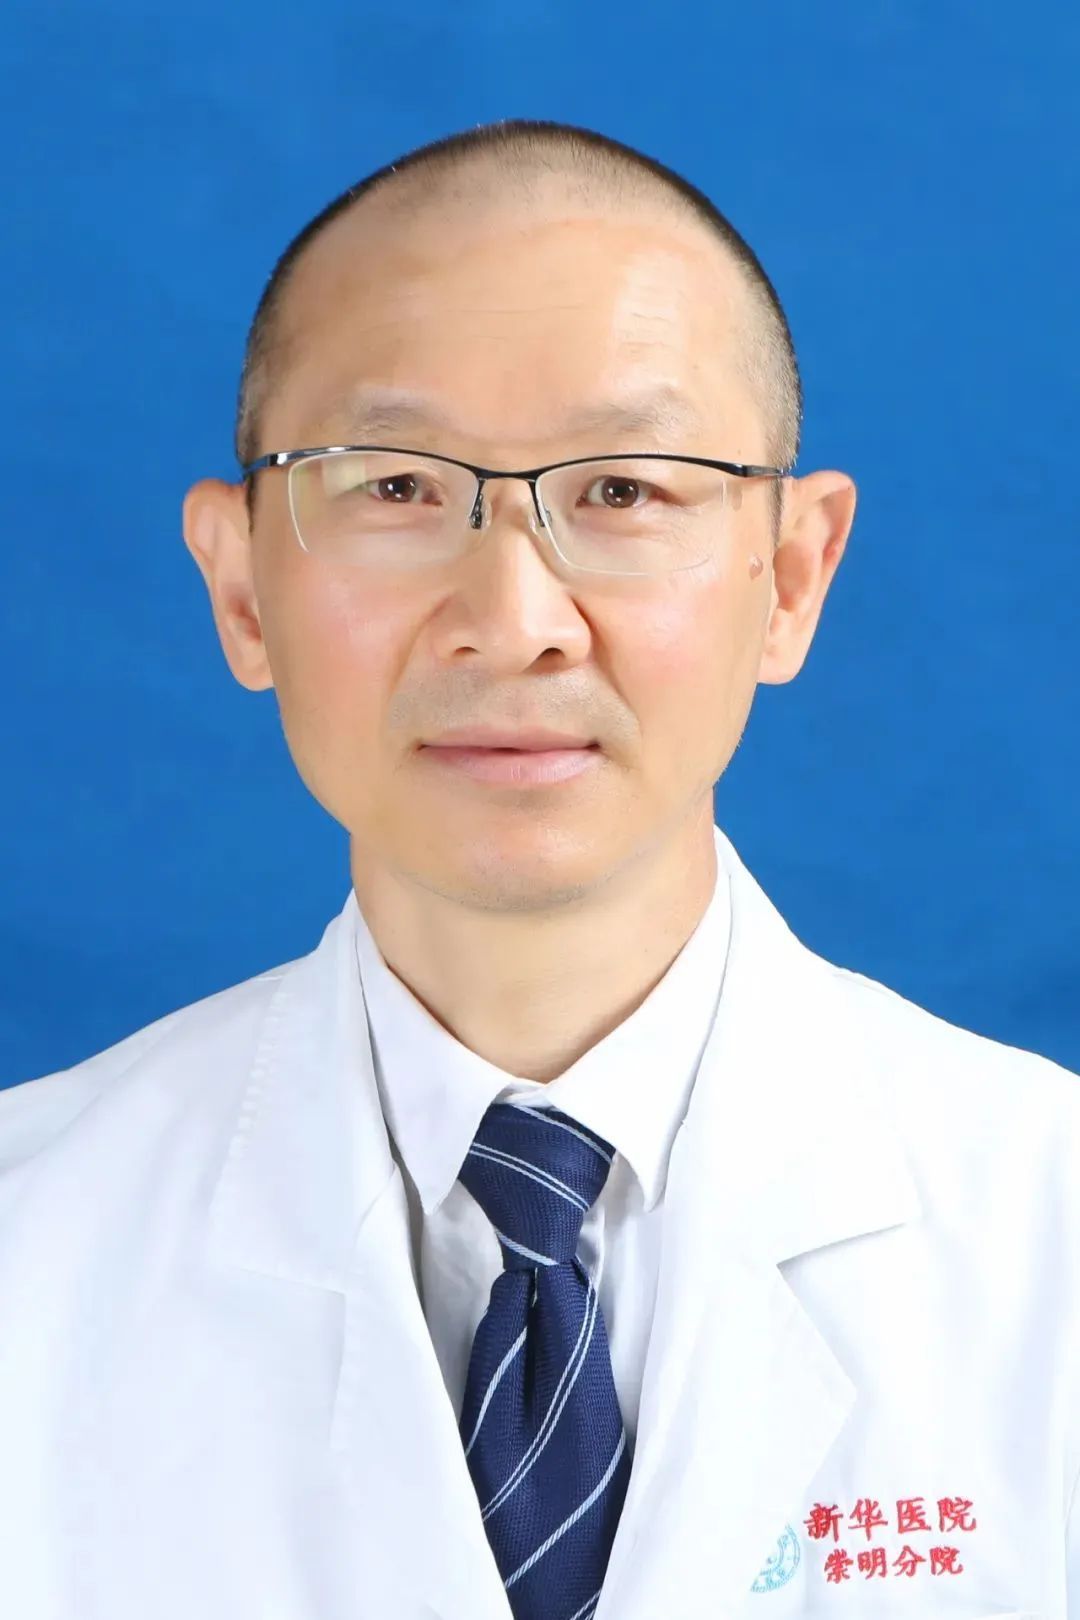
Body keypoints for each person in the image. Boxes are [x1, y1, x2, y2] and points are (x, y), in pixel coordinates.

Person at [1, 117, 1076, 1620]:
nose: (513, 622)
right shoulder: (29, 1247)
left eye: (624, 491)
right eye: (395, 488)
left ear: (791, 577)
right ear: (241, 589)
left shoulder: (1051, 1237)